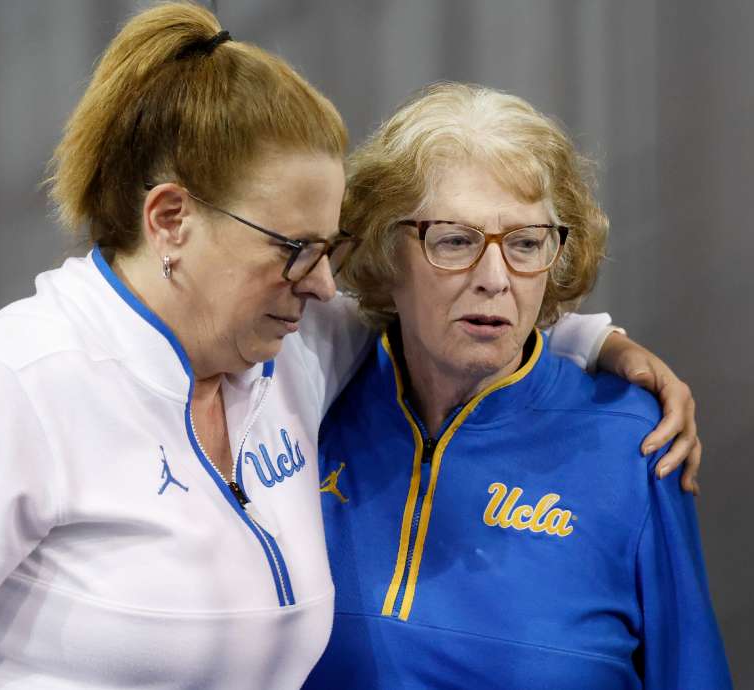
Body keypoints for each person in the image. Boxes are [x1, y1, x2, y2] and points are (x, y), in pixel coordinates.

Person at [0, 5, 701, 688]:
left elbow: (444, 314)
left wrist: (596, 343)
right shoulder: (4, 395)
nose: (319, 283)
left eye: (329, 252)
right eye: (293, 250)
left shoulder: (290, 353)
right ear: (171, 219)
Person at [306, 83, 731, 689]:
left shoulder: (637, 441)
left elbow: (692, 673)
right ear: (382, 250)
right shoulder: (309, 403)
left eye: (527, 243)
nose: (494, 279)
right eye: (453, 240)